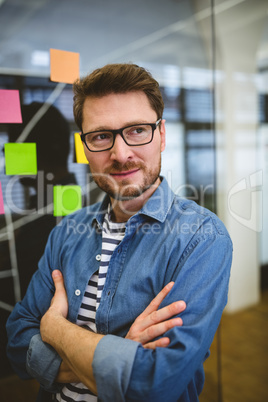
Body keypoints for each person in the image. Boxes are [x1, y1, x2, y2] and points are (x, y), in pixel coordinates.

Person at [6, 63, 232, 402]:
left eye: (138, 130)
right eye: (101, 136)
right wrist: (121, 354)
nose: (121, 153)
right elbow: (17, 341)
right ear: (83, 148)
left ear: (162, 135)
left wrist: (55, 329)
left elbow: (154, 384)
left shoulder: (202, 238)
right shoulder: (67, 231)